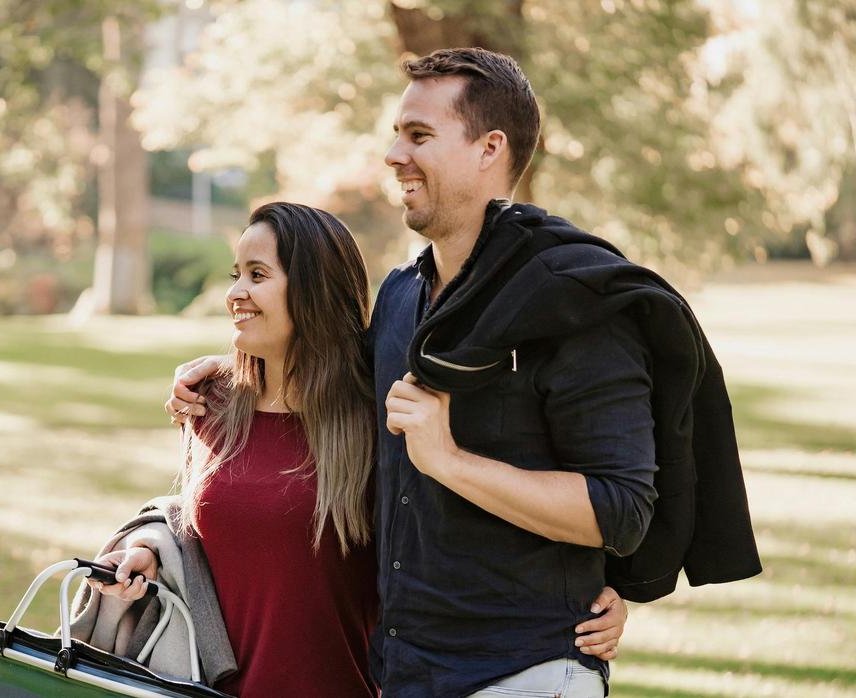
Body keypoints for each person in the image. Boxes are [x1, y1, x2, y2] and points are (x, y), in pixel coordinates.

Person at [167, 48, 760, 697]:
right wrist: (227, 373)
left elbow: (620, 509)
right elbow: (324, 382)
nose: (395, 154)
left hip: (524, 674)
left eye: (419, 135)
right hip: (408, 675)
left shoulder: (576, 303)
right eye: (397, 134)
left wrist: (448, 458)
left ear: (490, 149)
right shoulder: (400, 299)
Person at [93, 202, 627, 698]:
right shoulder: (210, 407)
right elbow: (203, 530)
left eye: (258, 275)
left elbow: (461, 530)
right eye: (236, 274)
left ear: (313, 292)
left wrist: (595, 594)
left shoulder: (380, 414)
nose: (236, 291)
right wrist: (152, 552)